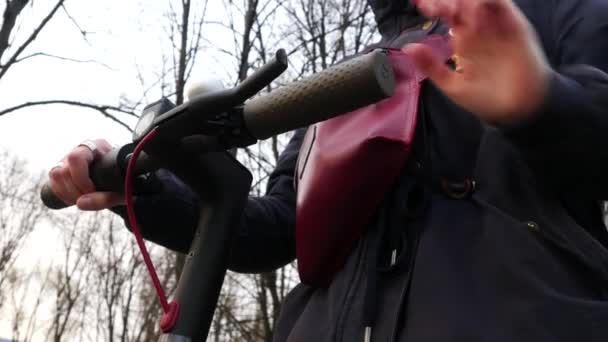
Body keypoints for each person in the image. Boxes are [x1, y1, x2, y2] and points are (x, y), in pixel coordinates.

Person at [48, 0, 608, 340]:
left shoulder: (560, 14)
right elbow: (274, 227)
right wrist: (142, 192)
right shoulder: (342, 80)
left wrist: (542, 100)